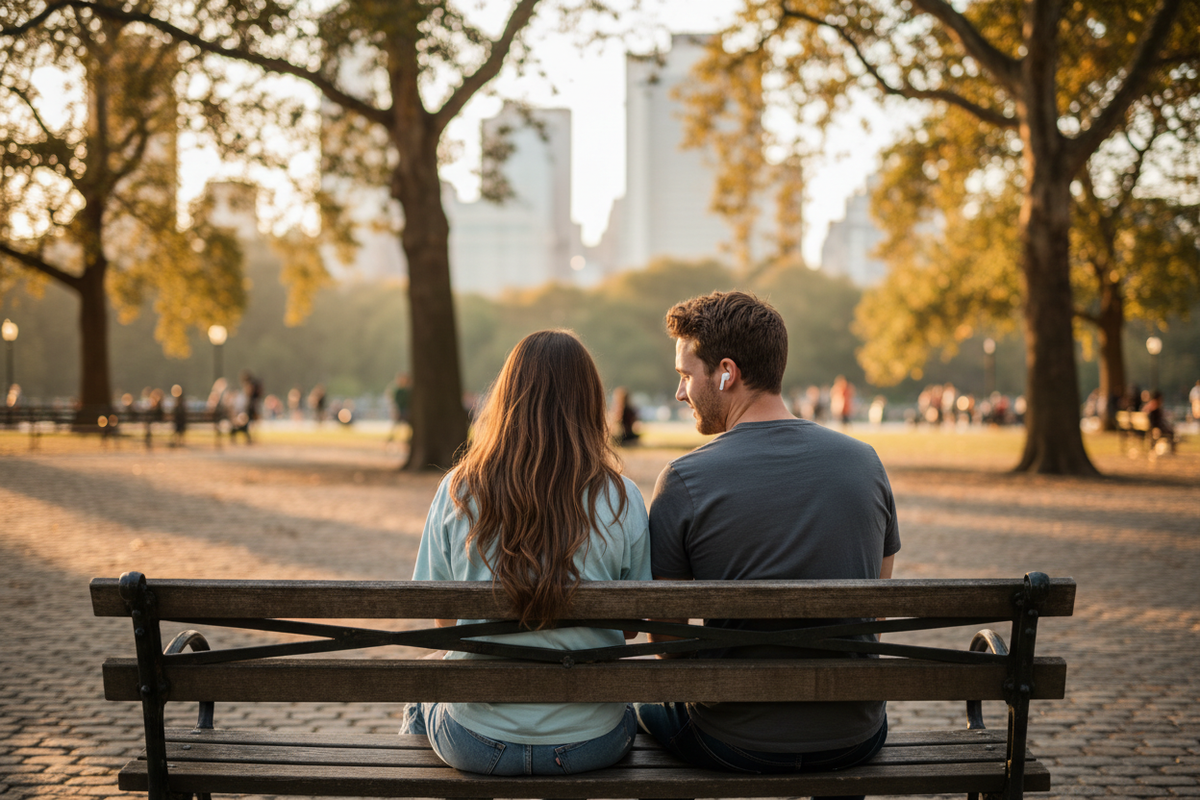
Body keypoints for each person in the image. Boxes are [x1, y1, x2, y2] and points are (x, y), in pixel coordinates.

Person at [637, 291, 900, 793]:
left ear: (726, 373)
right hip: (854, 735)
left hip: (730, 739)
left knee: (639, 709)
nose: (679, 393)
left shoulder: (684, 480)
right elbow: (877, 615)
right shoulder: (865, 462)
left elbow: (667, 649)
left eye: (685, 375)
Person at [401, 329, 651, 776]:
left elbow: (443, 623)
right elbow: (631, 629)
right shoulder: (623, 498)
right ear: (589, 403)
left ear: (507, 397)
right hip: (590, 741)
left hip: (476, 740)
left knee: (422, 691)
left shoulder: (458, 489)